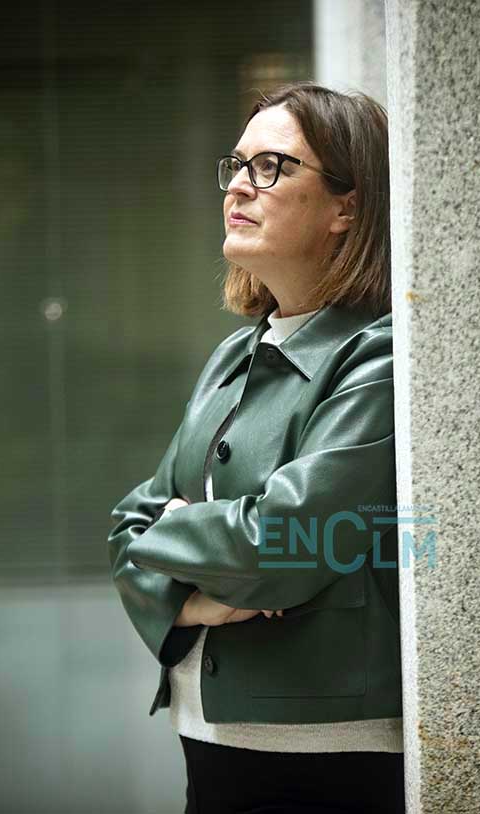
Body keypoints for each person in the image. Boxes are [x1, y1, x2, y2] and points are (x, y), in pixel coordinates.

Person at [107, 81, 403, 814]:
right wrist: (191, 603)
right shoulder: (234, 353)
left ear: (347, 206)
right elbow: (124, 530)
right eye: (237, 163)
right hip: (207, 731)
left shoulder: (380, 357)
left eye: (271, 166)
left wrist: (173, 529)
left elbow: (289, 542)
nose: (239, 183)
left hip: (325, 751)